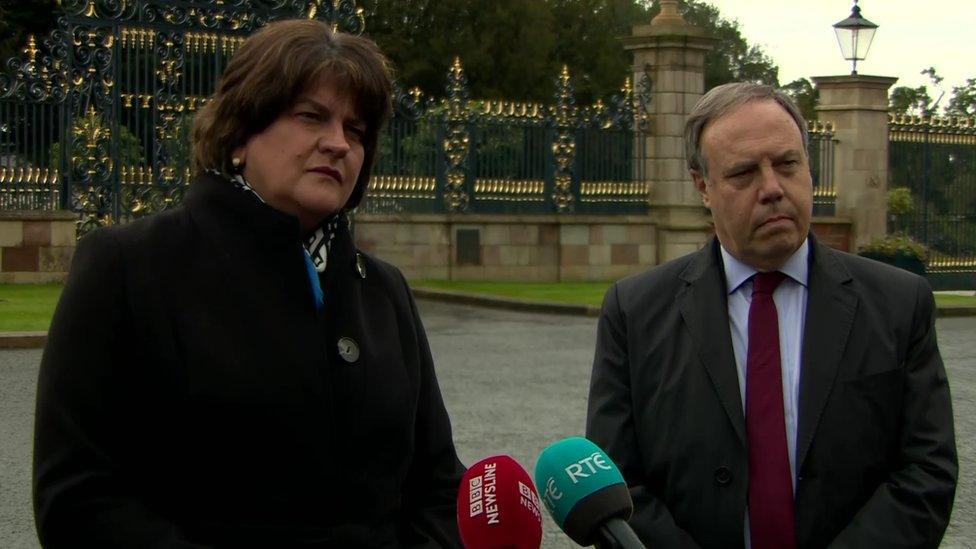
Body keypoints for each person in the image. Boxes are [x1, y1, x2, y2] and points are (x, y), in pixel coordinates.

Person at [33, 19, 465, 548]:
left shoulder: (384, 289)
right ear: (240, 133)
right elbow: (77, 499)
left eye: (356, 130)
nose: (338, 144)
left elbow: (441, 487)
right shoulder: (127, 266)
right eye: (312, 117)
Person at [586, 82, 957, 548]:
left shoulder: (900, 304)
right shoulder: (634, 312)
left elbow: (927, 471)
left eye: (787, 164)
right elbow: (614, 484)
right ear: (703, 186)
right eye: (744, 173)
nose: (772, 189)